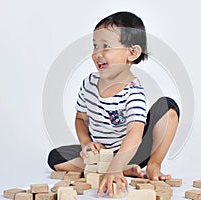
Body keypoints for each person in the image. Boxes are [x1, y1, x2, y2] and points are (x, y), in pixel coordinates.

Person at [47, 11, 180, 197]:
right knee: (55, 157)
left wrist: (116, 165)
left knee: (168, 107)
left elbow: (135, 132)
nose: (97, 53)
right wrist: (86, 144)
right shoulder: (89, 84)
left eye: (106, 46)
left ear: (132, 53)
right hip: (100, 153)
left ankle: (152, 165)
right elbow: (80, 119)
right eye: (95, 46)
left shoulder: (133, 91)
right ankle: (119, 168)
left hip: (132, 150)